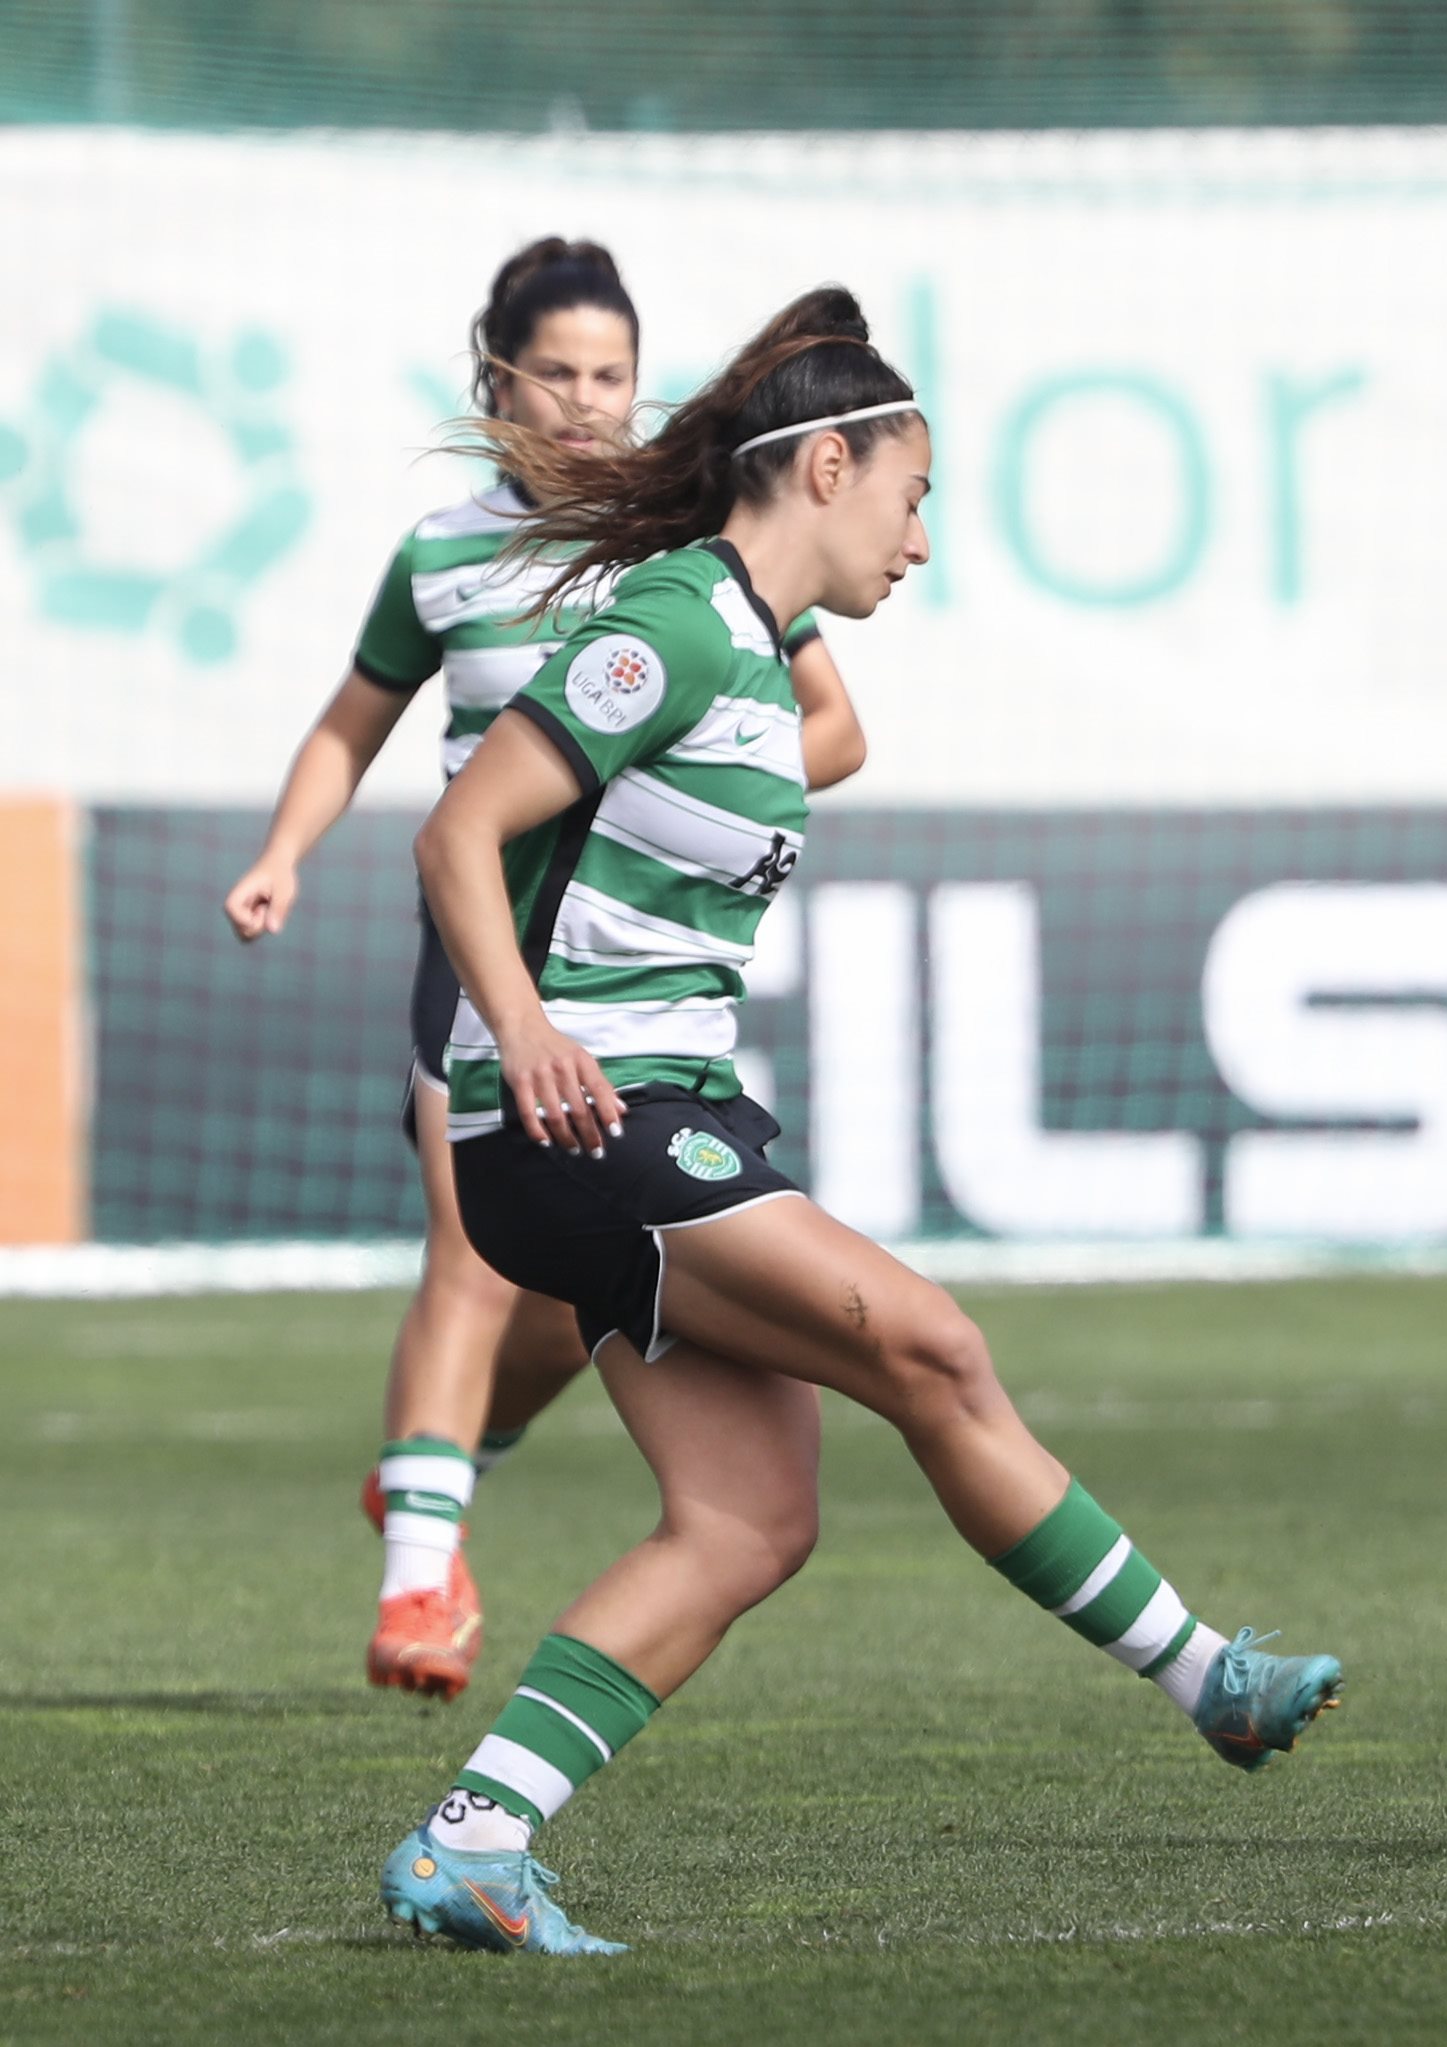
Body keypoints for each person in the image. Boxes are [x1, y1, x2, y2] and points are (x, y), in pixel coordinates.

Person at [378, 287, 1343, 1956]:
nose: (917, 537)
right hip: (587, 1122)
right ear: (825, 467)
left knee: (748, 1521)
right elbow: (459, 832)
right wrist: (522, 1031)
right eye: (910, 494)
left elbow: (775, 754)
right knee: (932, 1344)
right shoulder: (673, 626)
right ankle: (1207, 1679)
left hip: (653, 1119)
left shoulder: (751, 661)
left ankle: (473, 1840)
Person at [225, 239, 866, 1702]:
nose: (587, 404)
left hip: (627, 967)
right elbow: (350, 728)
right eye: (558, 373)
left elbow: (828, 730)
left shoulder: (695, 550)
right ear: (494, 377)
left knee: (571, 1306)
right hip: (483, 940)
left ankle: (438, 1470)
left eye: (614, 376)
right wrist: (284, 850)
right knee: (463, 1249)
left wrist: (649, 797)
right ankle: (416, 1590)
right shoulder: (442, 553)